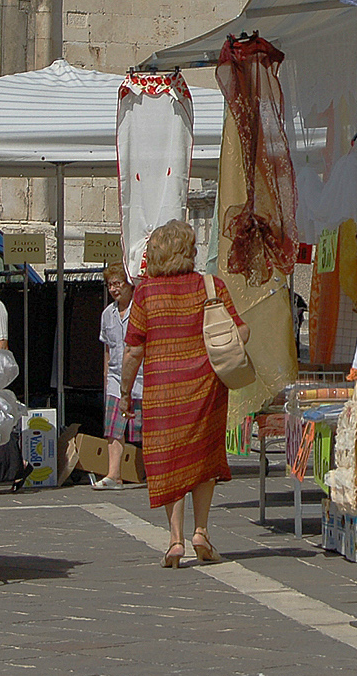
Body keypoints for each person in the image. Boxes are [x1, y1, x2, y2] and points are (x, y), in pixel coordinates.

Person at [118, 219, 244, 567]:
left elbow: (133, 351)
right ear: (186, 252)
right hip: (206, 387)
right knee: (204, 459)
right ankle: (201, 531)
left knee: (169, 459)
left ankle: (175, 540)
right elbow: (240, 332)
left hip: (162, 391)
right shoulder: (210, 286)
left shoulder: (146, 293)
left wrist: (125, 392)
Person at [92, 262, 143, 490]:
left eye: (118, 283)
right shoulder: (107, 314)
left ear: (129, 285)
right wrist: (105, 378)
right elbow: (108, 349)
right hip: (115, 378)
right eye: (110, 285)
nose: (114, 289)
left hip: (142, 378)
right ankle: (114, 474)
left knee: (147, 430)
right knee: (113, 428)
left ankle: (155, 472)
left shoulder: (141, 311)